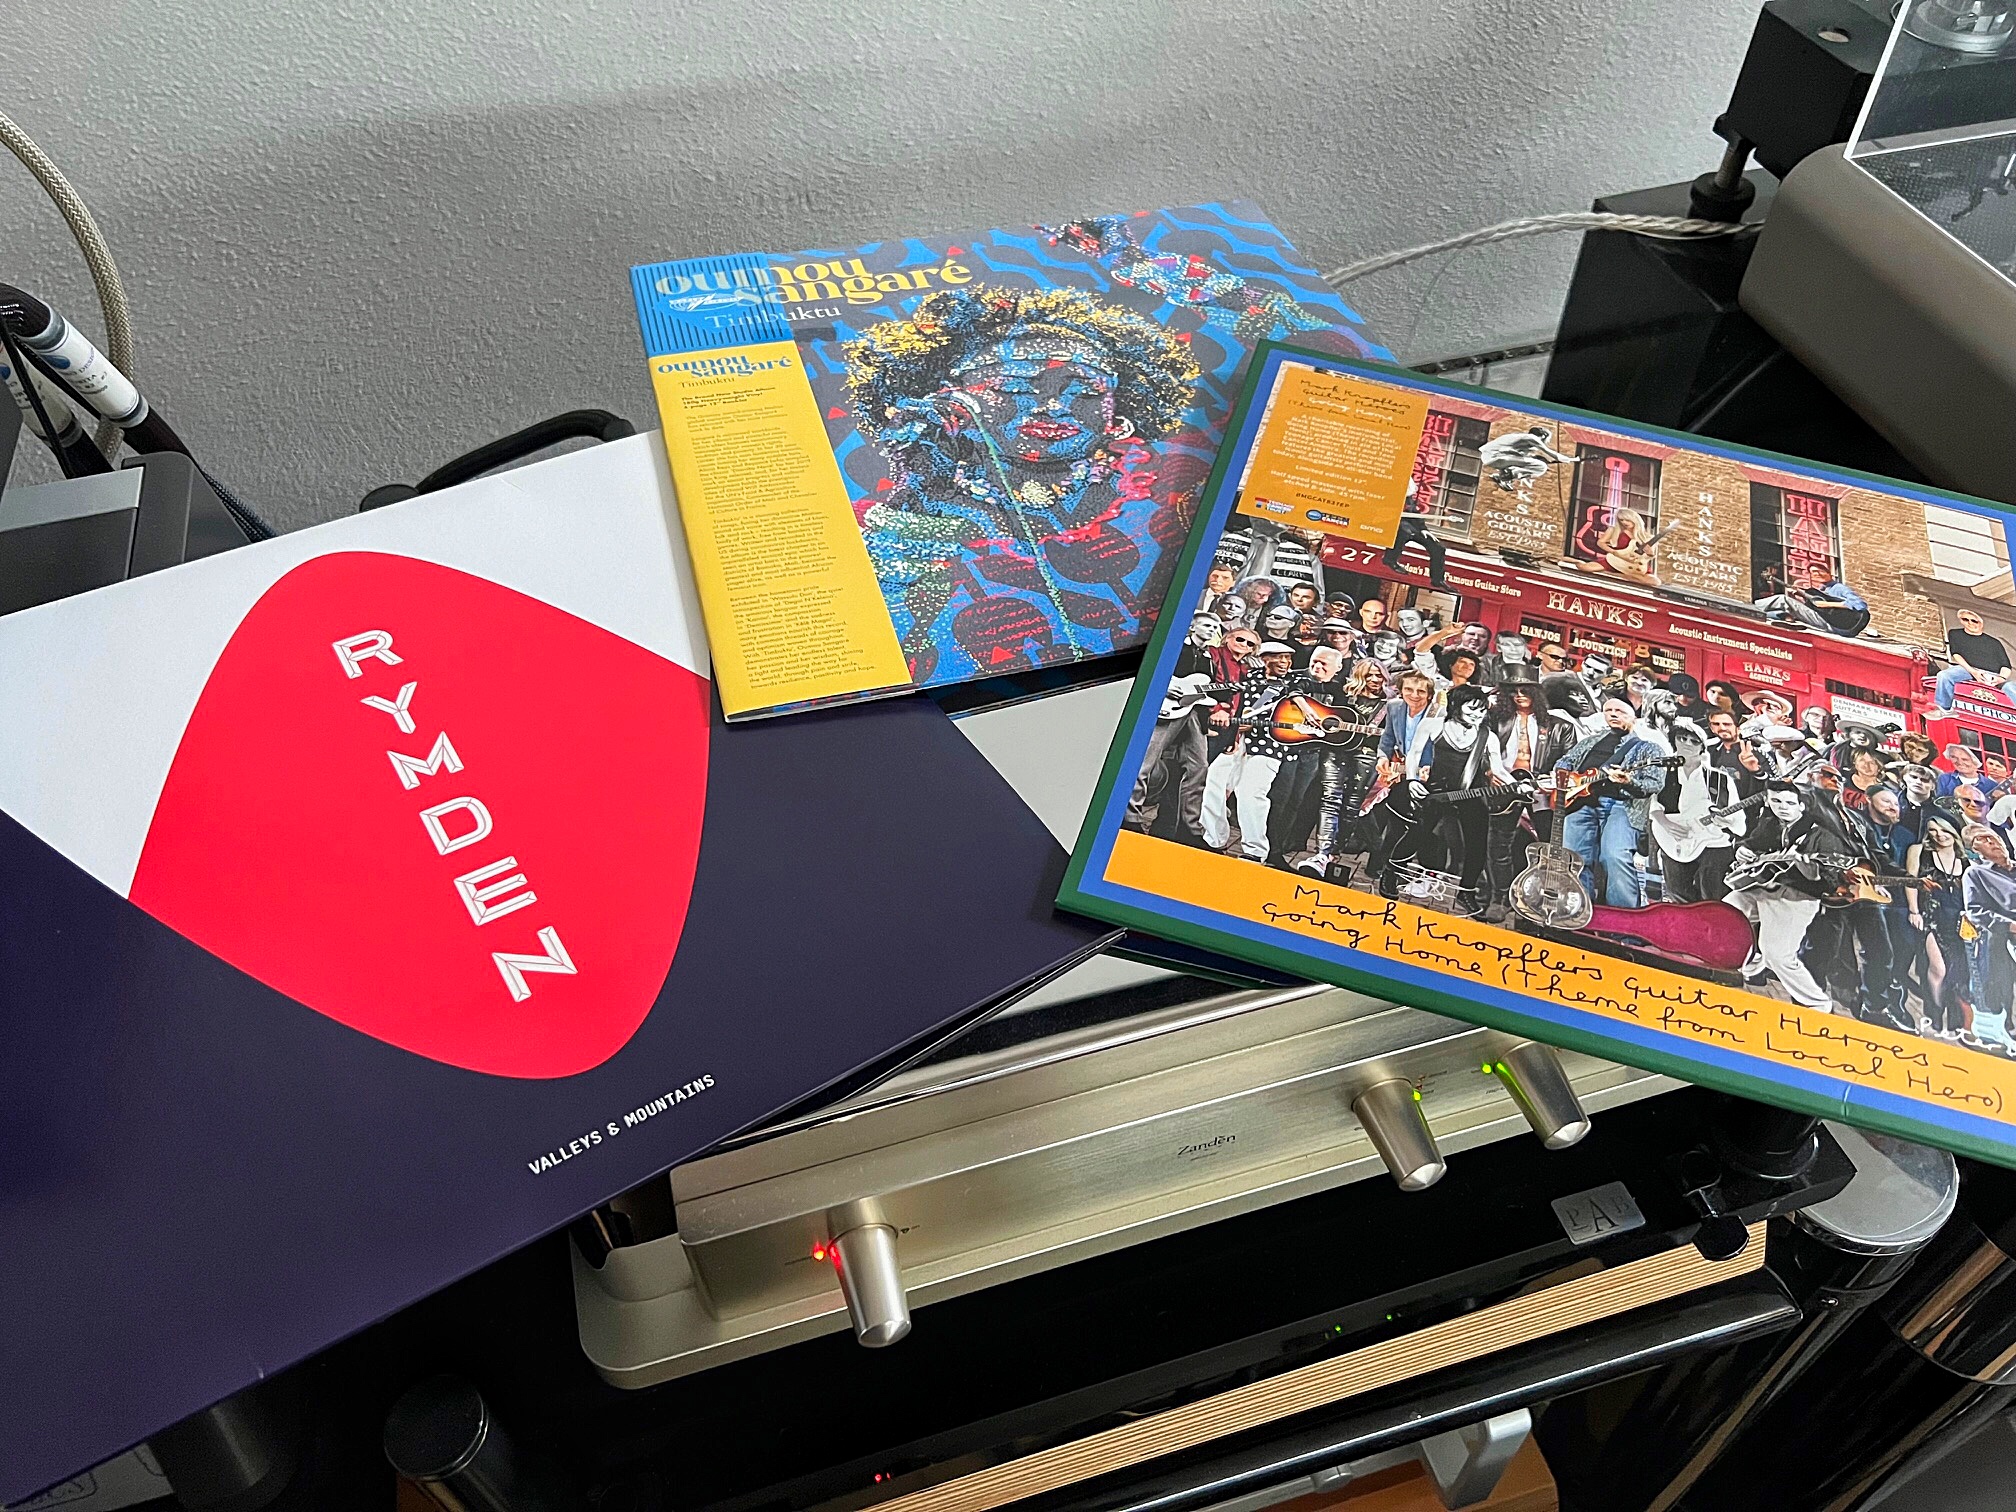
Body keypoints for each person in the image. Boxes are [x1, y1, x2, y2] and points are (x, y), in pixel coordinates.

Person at [1727, 783, 1844, 1013]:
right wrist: (1741, 850)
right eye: (1776, 801)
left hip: (1798, 896)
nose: (1783, 807)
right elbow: (1751, 843)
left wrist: (1808, 870)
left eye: (1790, 803)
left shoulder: (1823, 835)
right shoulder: (1770, 823)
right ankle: (1753, 965)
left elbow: (1830, 882)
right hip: (1761, 887)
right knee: (1726, 913)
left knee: (1778, 954)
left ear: (1801, 805)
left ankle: (1818, 1004)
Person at [1554, 696, 1668, 908]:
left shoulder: (1649, 749)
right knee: (1573, 859)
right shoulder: (1590, 741)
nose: (1613, 714)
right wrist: (1567, 777)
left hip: (1622, 805)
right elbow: (1565, 761)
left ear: (1634, 717)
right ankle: (1578, 911)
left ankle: (1624, 919)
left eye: (1620, 711)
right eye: (1609, 710)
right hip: (1581, 803)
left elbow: (1655, 784)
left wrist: (1629, 781)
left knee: (1615, 857)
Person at [1128, 614, 1230, 841]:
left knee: (1199, 768)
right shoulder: (1176, 647)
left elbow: (1205, 689)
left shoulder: (1208, 658)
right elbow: (1150, 668)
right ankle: (1130, 817)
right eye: (1206, 625)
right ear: (1192, 626)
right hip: (1168, 710)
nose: (1211, 629)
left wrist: (1225, 696)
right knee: (1145, 762)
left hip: (1194, 714)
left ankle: (1190, 828)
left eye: (1215, 627)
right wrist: (1163, 686)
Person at [1201, 642, 1301, 862]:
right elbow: (1233, 701)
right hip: (1236, 741)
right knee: (1213, 783)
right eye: (1278, 657)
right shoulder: (1249, 677)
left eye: (1287, 658)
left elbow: (1293, 716)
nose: (1284, 662)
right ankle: (1213, 839)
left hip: (1269, 746)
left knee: (1251, 793)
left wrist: (1254, 723)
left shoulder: (1294, 683)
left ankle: (1255, 851)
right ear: (1264, 658)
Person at [1650, 719, 1745, 903]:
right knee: (1677, 893)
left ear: (1702, 747)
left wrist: (1725, 822)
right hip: (1674, 840)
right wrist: (1666, 824)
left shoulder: (1720, 778)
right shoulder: (1664, 773)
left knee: (1713, 896)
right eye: (1682, 738)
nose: (1687, 743)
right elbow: (1654, 807)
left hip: (1712, 842)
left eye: (1694, 741)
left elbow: (1738, 821)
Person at [1908, 812, 1974, 1037]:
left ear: (1954, 832)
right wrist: (1914, 910)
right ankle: (1934, 1014)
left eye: (1944, 830)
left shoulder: (1966, 860)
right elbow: (1911, 882)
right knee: (1938, 968)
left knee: (1957, 972)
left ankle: (1953, 1020)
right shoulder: (1919, 851)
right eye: (1933, 830)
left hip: (1958, 920)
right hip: (1930, 916)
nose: (1939, 835)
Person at [1963, 822, 2016, 1038]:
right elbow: (1975, 912)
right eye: (1982, 840)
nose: (1991, 841)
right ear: (1975, 850)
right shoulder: (1975, 873)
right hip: (2007, 936)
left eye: (1992, 836)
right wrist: (2010, 925)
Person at [1756, 563, 1871, 637]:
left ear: (1828, 573)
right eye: (1813, 573)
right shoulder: (1819, 591)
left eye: (1820, 571)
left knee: (1783, 599)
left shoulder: (1838, 588)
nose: (1817, 574)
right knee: (1781, 612)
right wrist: (1801, 596)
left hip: (1836, 625)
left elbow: (1860, 605)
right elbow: (1816, 609)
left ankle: (1752, 607)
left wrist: (1826, 604)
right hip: (1827, 621)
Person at [1937, 607, 2013, 709]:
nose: (1970, 623)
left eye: (1974, 621)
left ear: (1981, 623)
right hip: (1967, 670)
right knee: (1944, 676)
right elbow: (1956, 654)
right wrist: (1973, 671)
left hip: (1993, 675)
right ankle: (1944, 709)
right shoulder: (1955, 634)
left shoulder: (1994, 642)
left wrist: (2001, 678)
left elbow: (2006, 666)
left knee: (2011, 687)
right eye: (1965, 619)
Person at [1382, 475, 1448, 587]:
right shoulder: (1388, 495)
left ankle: (1437, 579)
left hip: (1410, 525)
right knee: (1404, 532)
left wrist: (1423, 529)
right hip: (1395, 524)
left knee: (1438, 548)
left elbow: (1414, 514)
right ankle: (1390, 559)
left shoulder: (1409, 499)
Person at [1479, 423, 1572, 491]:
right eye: (1548, 440)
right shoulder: (1532, 438)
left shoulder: (1518, 439)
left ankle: (1503, 476)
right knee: (1541, 467)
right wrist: (1568, 459)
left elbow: (1514, 455)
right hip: (1495, 457)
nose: (1547, 442)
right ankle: (1504, 477)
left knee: (1523, 462)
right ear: (1543, 436)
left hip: (1488, 458)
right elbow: (1549, 452)